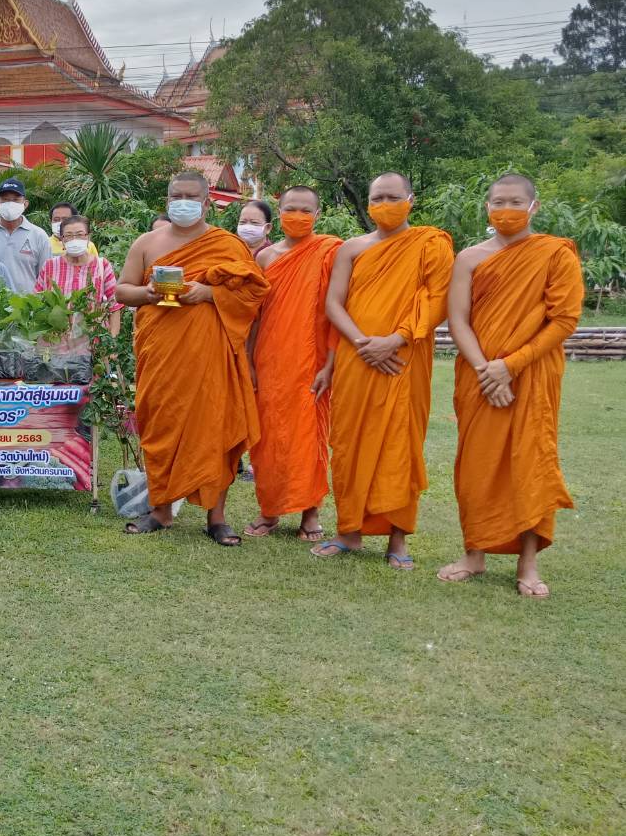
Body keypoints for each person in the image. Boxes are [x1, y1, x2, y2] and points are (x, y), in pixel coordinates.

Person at [439, 174, 583, 598]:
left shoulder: (555, 254)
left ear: (533, 206)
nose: (506, 209)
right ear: (487, 207)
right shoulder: (469, 258)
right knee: (476, 465)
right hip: (479, 375)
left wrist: (510, 366)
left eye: (515, 202)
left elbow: (564, 320)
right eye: (498, 202)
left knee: (530, 463)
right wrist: (487, 370)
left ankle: (528, 563)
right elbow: (457, 320)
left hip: (532, 373)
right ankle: (473, 553)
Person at [114, 173, 268, 546]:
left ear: (206, 203)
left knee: (216, 428)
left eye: (191, 196)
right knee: (161, 426)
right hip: (161, 354)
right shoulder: (147, 243)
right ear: (167, 200)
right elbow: (122, 290)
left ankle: (217, 518)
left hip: (210, 356)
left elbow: (253, 294)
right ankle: (161, 510)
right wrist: (148, 293)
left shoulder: (227, 245)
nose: (182, 202)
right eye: (176, 196)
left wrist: (209, 293)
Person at [319, 172, 453, 568]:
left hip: (404, 359)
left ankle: (398, 540)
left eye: (393, 197)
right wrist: (365, 344)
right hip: (356, 357)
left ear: (411, 200)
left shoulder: (431, 245)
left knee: (401, 445)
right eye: (377, 197)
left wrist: (394, 340)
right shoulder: (352, 248)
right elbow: (333, 304)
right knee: (350, 442)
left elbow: (438, 300)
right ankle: (348, 532)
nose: (384, 204)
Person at [243, 188, 341, 541]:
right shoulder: (266, 257)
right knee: (269, 436)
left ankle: (310, 513)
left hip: (311, 359)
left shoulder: (330, 251)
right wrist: (248, 360)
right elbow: (255, 316)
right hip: (270, 358)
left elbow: (338, 309)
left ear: (318, 214)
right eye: (290, 209)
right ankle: (269, 510)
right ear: (279, 212)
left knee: (309, 437)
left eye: (305, 210)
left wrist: (330, 365)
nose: (297, 216)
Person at [34, 213, 122, 334]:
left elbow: (114, 305)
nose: (74, 239)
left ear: (88, 237)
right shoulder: (50, 266)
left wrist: (113, 339)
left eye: (80, 235)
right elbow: (38, 302)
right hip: (58, 339)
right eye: (69, 235)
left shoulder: (102, 265)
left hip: (94, 338)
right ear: (62, 240)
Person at [0, 177, 51, 292]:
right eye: (5, 200)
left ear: (25, 204)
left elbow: (46, 277)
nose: (10, 204)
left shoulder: (39, 235)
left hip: (27, 302)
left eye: (16, 200)